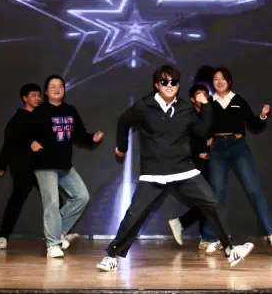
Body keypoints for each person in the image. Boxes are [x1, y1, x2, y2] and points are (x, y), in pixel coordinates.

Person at [98, 65, 254, 272]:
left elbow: (202, 132)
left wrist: (206, 107)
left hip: (183, 169)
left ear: (179, 86)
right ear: (157, 85)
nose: (169, 85)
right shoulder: (145, 106)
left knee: (212, 204)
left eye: (174, 82)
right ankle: (111, 256)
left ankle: (230, 250)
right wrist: (122, 147)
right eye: (164, 82)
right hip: (154, 172)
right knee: (135, 215)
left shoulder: (185, 109)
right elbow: (123, 121)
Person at [201, 67, 272, 252]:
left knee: (254, 189)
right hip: (218, 149)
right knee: (216, 194)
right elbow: (202, 128)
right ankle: (214, 238)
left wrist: (262, 116)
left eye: (223, 78)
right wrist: (205, 144)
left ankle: (271, 233)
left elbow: (253, 124)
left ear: (229, 81)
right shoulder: (209, 103)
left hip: (238, 147)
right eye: (215, 79)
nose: (219, 81)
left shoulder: (238, 100)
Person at [29, 75, 103, 258]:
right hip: (45, 165)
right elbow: (25, 134)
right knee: (52, 203)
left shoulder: (70, 110)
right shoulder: (39, 111)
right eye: (52, 86)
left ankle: (57, 231)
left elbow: (79, 134)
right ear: (46, 92)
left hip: (65, 166)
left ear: (64, 90)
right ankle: (52, 244)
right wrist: (31, 142)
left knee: (82, 197)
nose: (57, 89)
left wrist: (92, 138)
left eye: (60, 86)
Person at [0, 83, 43, 249]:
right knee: (17, 200)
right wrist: (1, 165)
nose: (37, 98)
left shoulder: (41, 116)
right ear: (25, 98)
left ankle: (61, 234)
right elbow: (9, 143)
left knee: (54, 198)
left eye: (39, 95)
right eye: (34, 95)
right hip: (22, 166)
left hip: (42, 166)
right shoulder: (18, 118)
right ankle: (3, 236)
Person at [167, 84, 214, 250]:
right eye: (198, 94)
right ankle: (200, 234)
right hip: (193, 162)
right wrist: (202, 148)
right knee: (207, 198)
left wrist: (209, 147)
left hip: (209, 161)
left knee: (208, 198)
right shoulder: (189, 114)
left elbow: (212, 135)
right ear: (192, 99)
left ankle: (202, 235)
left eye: (205, 94)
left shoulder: (209, 111)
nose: (202, 97)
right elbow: (188, 138)